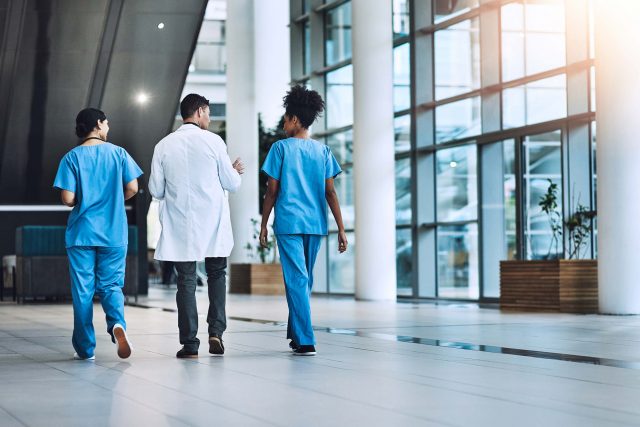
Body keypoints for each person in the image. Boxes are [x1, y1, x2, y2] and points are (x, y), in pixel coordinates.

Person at [149, 94, 244, 359]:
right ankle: (216, 331)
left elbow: (155, 189)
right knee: (216, 275)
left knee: (186, 282)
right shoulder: (214, 142)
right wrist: (234, 171)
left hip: (182, 224)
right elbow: (232, 183)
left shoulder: (164, 145)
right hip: (213, 223)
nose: (210, 119)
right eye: (209, 113)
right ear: (200, 112)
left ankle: (190, 344)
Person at [260, 85, 348, 356]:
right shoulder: (323, 152)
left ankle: (306, 340)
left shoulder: (280, 148)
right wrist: (341, 230)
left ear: (295, 120)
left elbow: (272, 190)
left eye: (286, 119)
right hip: (315, 224)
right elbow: (330, 192)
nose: (284, 124)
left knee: (298, 280)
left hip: (288, 224)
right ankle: (297, 334)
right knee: (303, 280)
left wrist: (264, 223)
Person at [53, 108, 142, 361]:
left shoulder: (71, 158)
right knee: (111, 285)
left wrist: (83, 201)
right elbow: (133, 187)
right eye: (107, 123)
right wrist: (113, 198)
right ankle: (117, 325)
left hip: (81, 233)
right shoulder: (119, 153)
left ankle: (85, 349)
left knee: (82, 291)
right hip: (113, 232)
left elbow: (67, 197)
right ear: (99, 124)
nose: (108, 128)